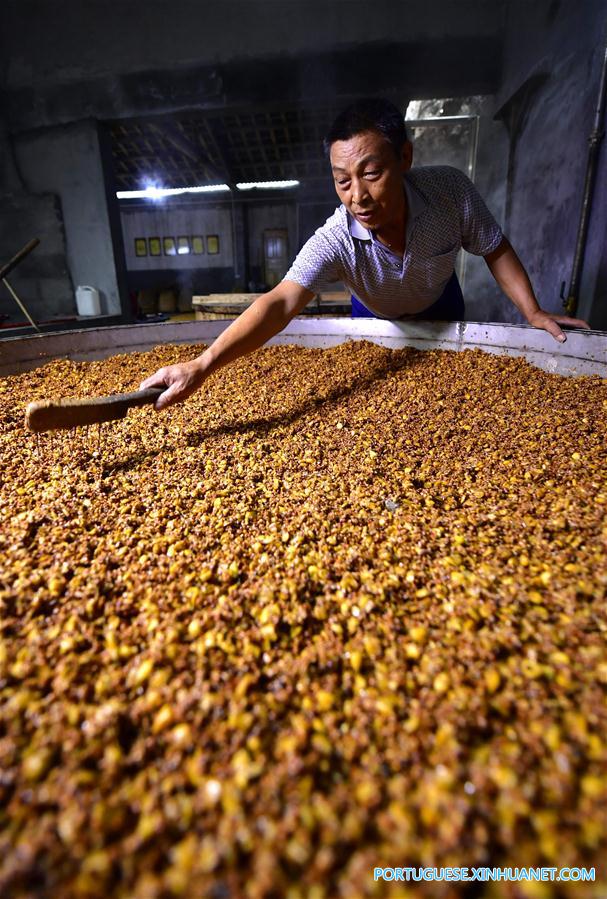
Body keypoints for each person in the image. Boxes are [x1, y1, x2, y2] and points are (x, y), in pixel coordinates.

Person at [140, 98, 590, 409]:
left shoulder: (449, 191)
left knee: (448, 390)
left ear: (405, 158)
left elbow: (494, 247)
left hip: (442, 305)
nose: (358, 196)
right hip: (373, 317)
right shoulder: (334, 239)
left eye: (371, 172)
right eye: (342, 181)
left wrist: (530, 312)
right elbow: (279, 302)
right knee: (379, 395)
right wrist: (202, 365)